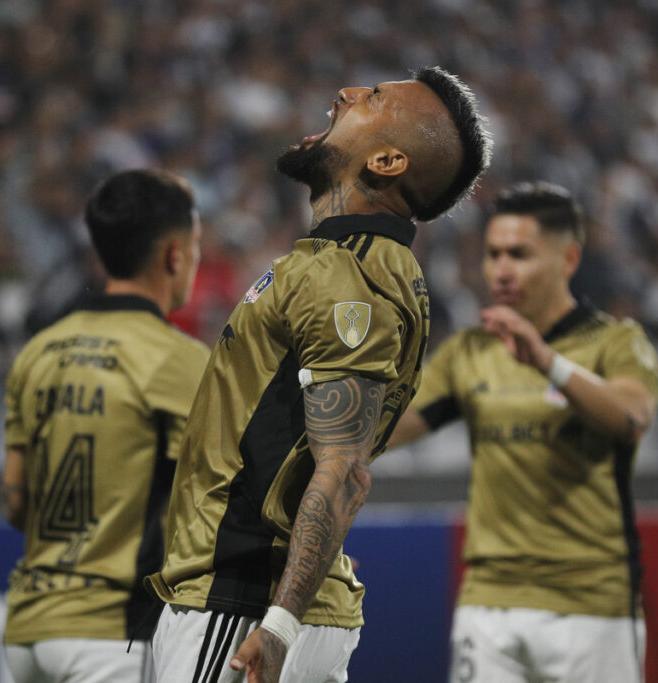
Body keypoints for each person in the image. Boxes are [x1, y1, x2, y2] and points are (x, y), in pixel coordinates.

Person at [144, 66, 492, 683]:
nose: (346, 94)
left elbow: (346, 468)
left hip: (243, 600)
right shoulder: (344, 263)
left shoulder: (349, 278)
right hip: (252, 600)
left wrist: (277, 627)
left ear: (386, 162)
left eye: (373, 99)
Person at [388, 182, 658, 683]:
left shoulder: (615, 342)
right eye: (493, 254)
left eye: (519, 254)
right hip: (489, 602)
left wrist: (548, 362)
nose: (502, 270)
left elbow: (631, 417)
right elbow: (381, 432)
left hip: (592, 603)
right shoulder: (470, 352)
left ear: (568, 259)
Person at [1, 169, 210, 683]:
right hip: (112, 632)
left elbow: (15, 501)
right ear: (174, 255)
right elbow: (214, 502)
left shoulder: (39, 352)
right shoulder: (178, 361)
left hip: (29, 627)